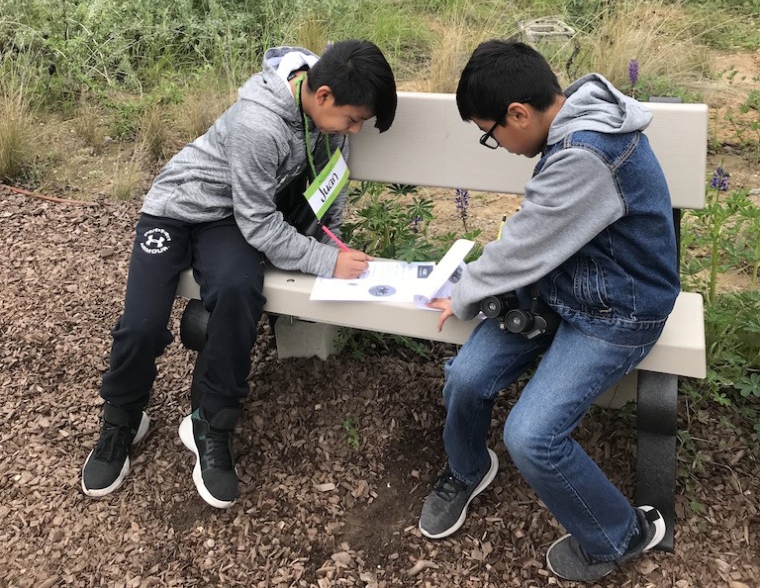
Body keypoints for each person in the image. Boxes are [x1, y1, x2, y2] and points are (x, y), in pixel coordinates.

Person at [81, 39, 397, 510]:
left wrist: (336, 245)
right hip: (176, 209)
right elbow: (262, 225)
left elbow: (330, 188)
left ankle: (212, 424)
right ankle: (122, 417)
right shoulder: (259, 124)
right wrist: (326, 261)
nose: (355, 130)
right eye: (354, 119)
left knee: (238, 292)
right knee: (143, 322)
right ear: (323, 95)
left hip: (228, 219)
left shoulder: (330, 122)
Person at [419, 40, 678, 583]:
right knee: (465, 377)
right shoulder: (572, 120)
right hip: (562, 290)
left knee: (532, 436)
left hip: (616, 312)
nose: (496, 143)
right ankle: (468, 469)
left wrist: (463, 291)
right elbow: (536, 237)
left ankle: (622, 533)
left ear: (519, 113)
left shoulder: (587, 152)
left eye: (490, 134)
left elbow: (524, 245)